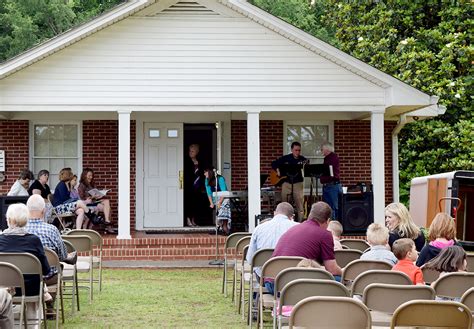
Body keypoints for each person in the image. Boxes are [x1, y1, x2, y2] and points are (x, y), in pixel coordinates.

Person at [272, 201, 342, 277]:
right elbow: (332, 270)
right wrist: (344, 272)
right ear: (328, 221)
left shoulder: (294, 228)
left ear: (310, 216)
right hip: (295, 282)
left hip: (274, 281)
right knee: (339, 279)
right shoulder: (325, 234)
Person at [0, 203, 50, 296]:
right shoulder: (34, 240)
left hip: (4, 289)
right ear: (26, 220)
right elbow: (46, 270)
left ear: (8, 220)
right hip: (31, 290)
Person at [25, 195, 77, 275]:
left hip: (25, 277)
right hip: (49, 276)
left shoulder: (19, 231)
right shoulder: (52, 230)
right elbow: (62, 255)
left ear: (27, 210)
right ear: (44, 210)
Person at [271, 142, 308, 221]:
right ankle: (284, 221)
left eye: (299, 150)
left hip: (298, 183)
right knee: (284, 203)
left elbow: (307, 168)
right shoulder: (285, 158)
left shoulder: (303, 160)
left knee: (300, 205)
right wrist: (278, 170)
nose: (297, 152)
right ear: (291, 150)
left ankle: (300, 222)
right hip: (286, 183)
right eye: (296, 150)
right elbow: (274, 163)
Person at [204, 168, 231, 234]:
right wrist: (211, 203)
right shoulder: (207, 180)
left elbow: (223, 191)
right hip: (215, 199)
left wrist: (220, 202)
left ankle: (224, 225)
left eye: (205, 172)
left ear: (210, 172)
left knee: (225, 204)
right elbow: (209, 193)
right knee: (219, 207)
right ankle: (221, 225)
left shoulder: (220, 179)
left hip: (223, 198)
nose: (204, 174)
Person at [320, 142, 341, 220]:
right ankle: (330, 224)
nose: (321, 150)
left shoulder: (333, 157)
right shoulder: (327, 158)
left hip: (332, 186)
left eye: (322, 149)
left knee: (334, 207)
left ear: (327, 149)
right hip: (327, 185)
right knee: (328, 207)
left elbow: (330, 173)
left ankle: (335, 225)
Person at [184, 144, 204, 227]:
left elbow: (202, 173)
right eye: (189, 151)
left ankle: (193, 220)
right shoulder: (186, 161)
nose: (190, 153)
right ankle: (188, 220)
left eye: (192, 151)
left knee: (196, 204)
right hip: (189, 186)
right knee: (189, 203)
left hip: (198, 186)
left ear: (197, 152)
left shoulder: (200, 161)